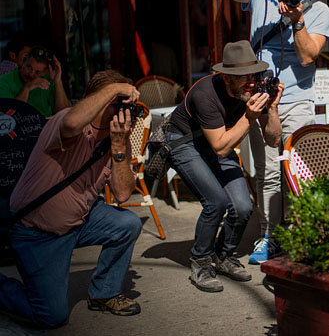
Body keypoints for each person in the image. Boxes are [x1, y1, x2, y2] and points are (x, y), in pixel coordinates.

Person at [214, 0, 329, 264]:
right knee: (267, 173)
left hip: (298, 102)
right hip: (260, 100)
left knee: (301, 172)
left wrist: (297, 21)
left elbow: (309, 56)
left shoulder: (318, 10)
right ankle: (270, 237)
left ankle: (306, 234)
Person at [0, 70, 143, 328]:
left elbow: (122, 194)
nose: (126, 110)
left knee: (128, 224)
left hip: (81, 219)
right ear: (96, 99)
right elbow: (72, 124)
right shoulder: (64, 120)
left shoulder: (116, 137)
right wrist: (114, 88)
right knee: (51, 316)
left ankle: (104, 293)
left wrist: (120, 146)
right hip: (38, 233)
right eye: (119, 101)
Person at [166, 40, 283, 292]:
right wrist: (249, 116)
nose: (251, 82)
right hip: (185, 141)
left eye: (254, 75)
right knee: (216, 201)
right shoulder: (204, 93)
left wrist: (271, 109)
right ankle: (201, 261)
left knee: (242, 206)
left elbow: (274, 140)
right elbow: (220, 148)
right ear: (225, 76)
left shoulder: (254, 90)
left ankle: (223, 256)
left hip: (222, 139)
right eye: (243, 77)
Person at [0, 46, 70, 117]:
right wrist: (27, 88)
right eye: (29, 67)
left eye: (37, 72)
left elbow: (63, 113)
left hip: (45, 126)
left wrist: (58, 81)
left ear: (44, 72)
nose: (31, 74)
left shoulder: (48, 79)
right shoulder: (4, 81)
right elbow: (9, 116)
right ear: (23, 61)